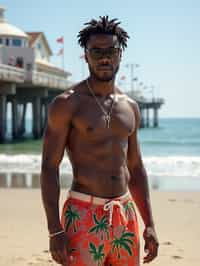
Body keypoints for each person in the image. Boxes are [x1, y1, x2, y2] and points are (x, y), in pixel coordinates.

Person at [40, 16, 159, 266]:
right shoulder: (66, 104)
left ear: (120, 54)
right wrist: (54, 229)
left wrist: (149, 223)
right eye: (96, 51)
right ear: (85, 55)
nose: (105, 57)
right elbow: (49, 166)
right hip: (83, 212)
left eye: (111, 51)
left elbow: (135, 168)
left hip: (124, 215)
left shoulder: (131, 107)